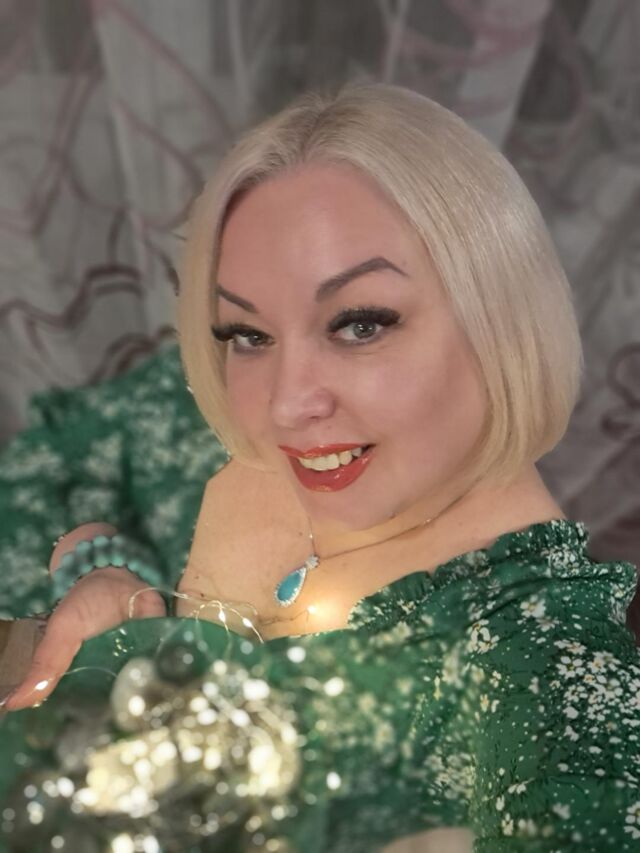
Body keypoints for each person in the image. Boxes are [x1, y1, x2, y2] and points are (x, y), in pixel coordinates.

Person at [2, 82, 639, 852]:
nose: (286, 404)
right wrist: (110, 579)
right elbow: (59, 472)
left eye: (360, 324)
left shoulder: (545, 679)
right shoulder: (253, 467)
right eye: (248, 333)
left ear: (498, 317)